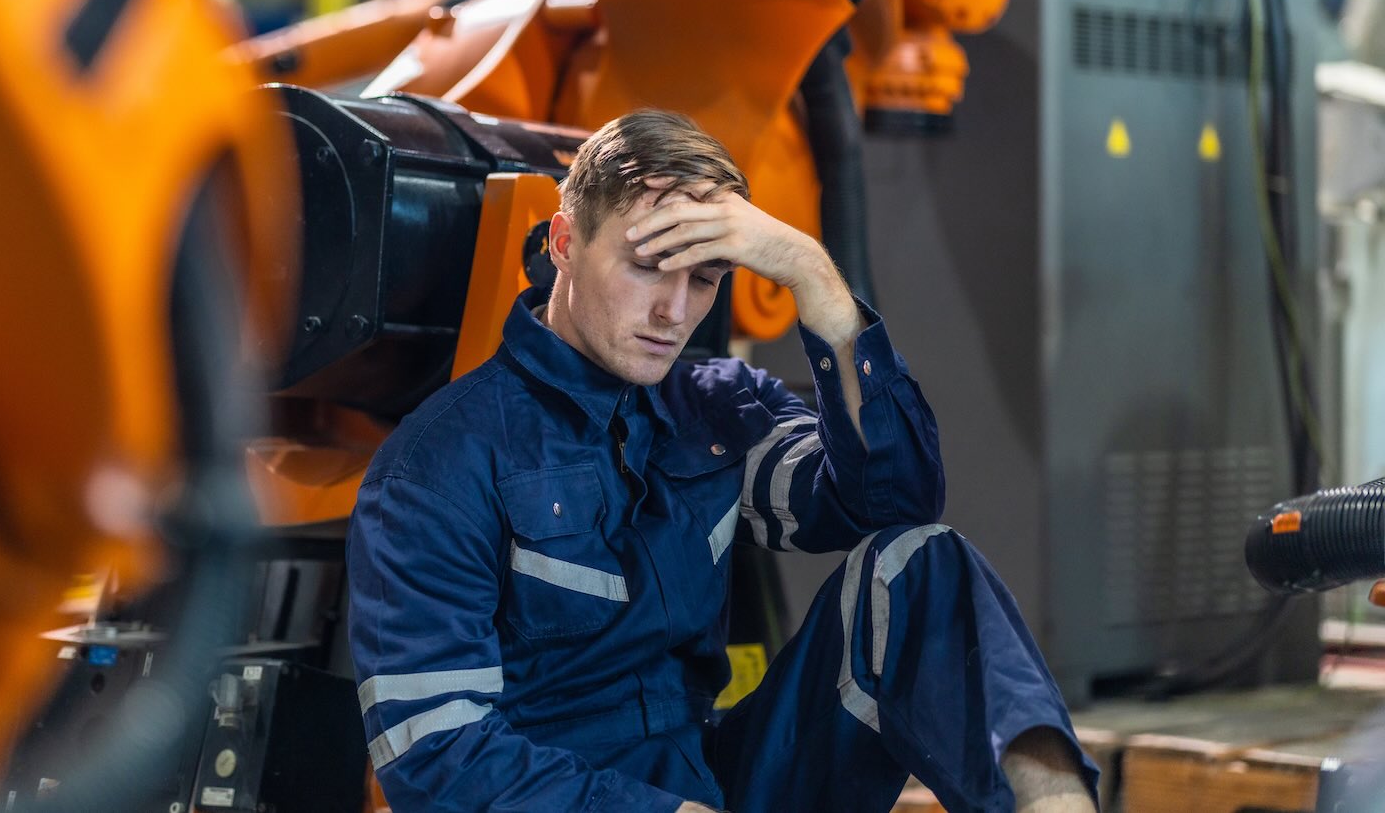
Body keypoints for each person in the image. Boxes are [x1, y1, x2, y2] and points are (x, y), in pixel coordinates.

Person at [347, 110, 1100, 812]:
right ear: (565, 243)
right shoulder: (437, 465)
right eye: (649, 265)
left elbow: (893, 500)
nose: (673, 311)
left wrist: (808, 270)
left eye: (704, 277)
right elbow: (435, 751)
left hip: (709, 775)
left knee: (922, 565)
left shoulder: (714, 410)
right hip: (565, 795)